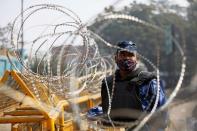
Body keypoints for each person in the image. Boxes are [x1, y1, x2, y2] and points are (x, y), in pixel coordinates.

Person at [87, 41, 167, 130]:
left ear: (137, 59)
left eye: (130, 55)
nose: (126, 58)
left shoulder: (148, 82)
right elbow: (109, 108)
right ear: (115, 58)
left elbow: (161, 114)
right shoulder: (109, 83)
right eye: (122, 54)